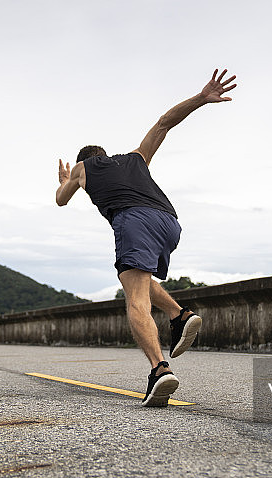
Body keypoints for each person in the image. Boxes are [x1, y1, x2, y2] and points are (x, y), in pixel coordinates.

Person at [55, 68, 237, 407]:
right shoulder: (138, 157)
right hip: (168, 222)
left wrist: (66, 179)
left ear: (84, 162)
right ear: (106, 154)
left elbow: (60, 199)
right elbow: (165, 122)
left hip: (134, 220)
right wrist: (201, 98)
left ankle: (159, 370)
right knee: (137, 279)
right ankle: (179, 315)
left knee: (134, 300)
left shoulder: (83, 169)